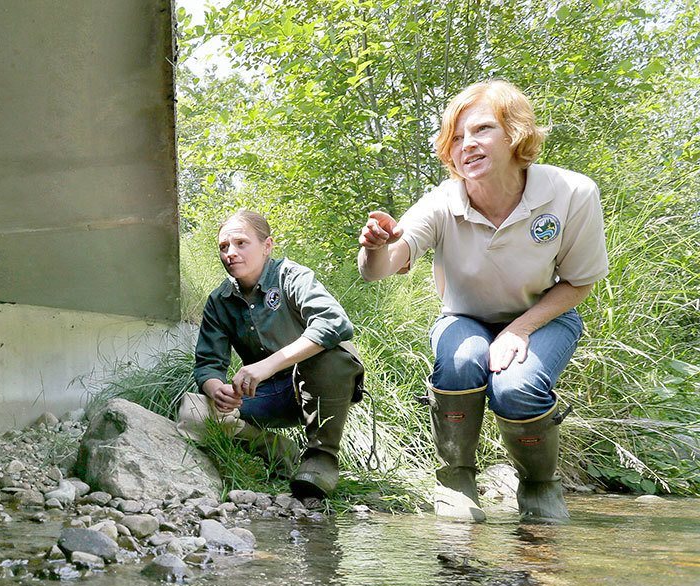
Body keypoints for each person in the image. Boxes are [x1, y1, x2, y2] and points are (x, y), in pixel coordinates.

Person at [358, 80, 608, 524]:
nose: (465, 144)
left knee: (517, 386)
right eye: (455, 137)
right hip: (464, 317)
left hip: (545, 316)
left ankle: (538, 485)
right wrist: (376, 246)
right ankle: (455, 479)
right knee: (462, 359)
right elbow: (379, 268)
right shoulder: (441, 203)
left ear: (515, 134)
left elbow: (579, 282)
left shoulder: (572, 193)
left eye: (481, 130)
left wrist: (518, 330)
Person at [181, 209, 364, 502]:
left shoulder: (291, 276)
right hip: (265, 396)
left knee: (333, 355)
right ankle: (279, 452)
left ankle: (321, 458)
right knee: (194, 413)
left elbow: (335, 323)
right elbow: (207, 365)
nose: (231, 253)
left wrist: (266, 365)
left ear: (267, 247)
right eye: (224, 247)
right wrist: (219, 391)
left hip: (320, 387)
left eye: (241, 243)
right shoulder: (219, 301)